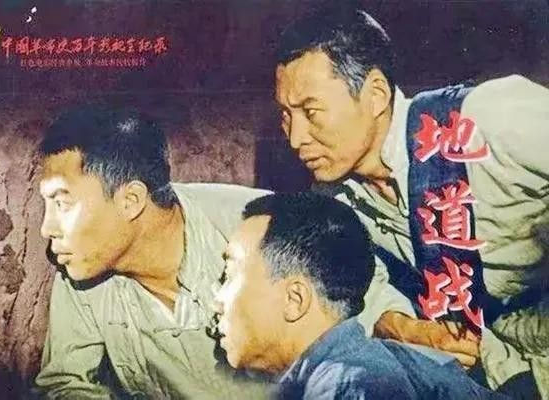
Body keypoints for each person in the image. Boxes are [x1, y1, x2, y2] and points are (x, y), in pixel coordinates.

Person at [273, 5, 549, 399]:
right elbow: (360, 287)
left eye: (311, 111)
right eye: (285, 115)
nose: (295, 137)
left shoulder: (488, 119)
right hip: (503, 368)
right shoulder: (334, 203)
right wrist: (397, 323)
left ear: (376, 95)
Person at [33, 104, 272, 399]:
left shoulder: (259, 226)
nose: (47, 229)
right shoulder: (81, 264)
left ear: (131, 200)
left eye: (62, 204)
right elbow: (64, 385)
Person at [214, 192, 508, 399]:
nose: (217, 301)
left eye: (229, 275)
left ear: (295, 300)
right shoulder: (352, 366)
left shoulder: (351, 382)